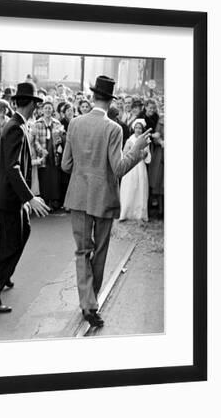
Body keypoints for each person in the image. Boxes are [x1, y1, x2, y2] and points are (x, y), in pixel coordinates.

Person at [61, 75, 151, 328]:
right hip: (103, 199)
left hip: (78, 197)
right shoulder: (114, 128)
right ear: (110, 101)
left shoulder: (75, 123)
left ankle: (88, 303)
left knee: (82, 252)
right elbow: (119, 168)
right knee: (98, 252)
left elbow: (65, 165)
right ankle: (91, 303)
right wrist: (138, 150)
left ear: (92, 97)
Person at [0, 82, 50, 313]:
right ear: (31, 103)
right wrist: (30, 198)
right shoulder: (16, 127)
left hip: (13, 197)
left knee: (23, 233)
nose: (37, 107)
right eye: (36, 103)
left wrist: (26, 199)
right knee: (10, 246)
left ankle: (6, 275)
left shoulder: (18, 125)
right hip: (11, 197)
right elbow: (13, 168)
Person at [32, 101, 65, 210]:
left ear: (52, 110)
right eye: (45, 108)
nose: (47, 110)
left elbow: (60, 138)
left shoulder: (57, 123)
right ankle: (45, 201)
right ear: (42, 110)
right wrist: (41, 150)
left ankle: (54, 200)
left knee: (54, 177)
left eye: (49, 108)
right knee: (44, 177)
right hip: (43, 154)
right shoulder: (37, 123)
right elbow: (35, 141)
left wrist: (59, 141)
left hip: (54, 153)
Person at [119, 119, 151, 221]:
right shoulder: (129, 140)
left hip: (140, 166)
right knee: (129, 187)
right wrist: (131, 151)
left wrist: (143, 153)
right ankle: (125, 212)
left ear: (142, 129)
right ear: (134, 128)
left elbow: (147, 155)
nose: (138, 130)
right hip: (130, 166)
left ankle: (140, 214)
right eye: (136, 128)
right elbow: (124, 153)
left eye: (140, 128)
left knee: (140, 187)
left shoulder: (145, 140)